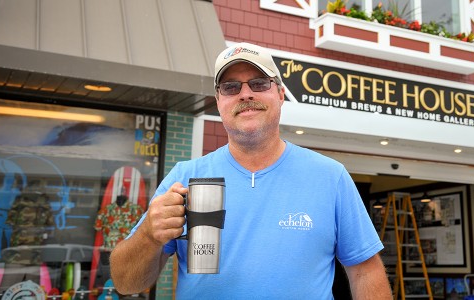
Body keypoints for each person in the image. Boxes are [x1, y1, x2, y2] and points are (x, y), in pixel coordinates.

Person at [110, 42, 392, 298]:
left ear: (280, 94)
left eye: (258, 83)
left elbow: (365, 272)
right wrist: (148, 234)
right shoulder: (185, 177)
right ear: (219, 101)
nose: (245, 94)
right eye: (231, 87)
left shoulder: (330, 177)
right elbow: (126, 284)